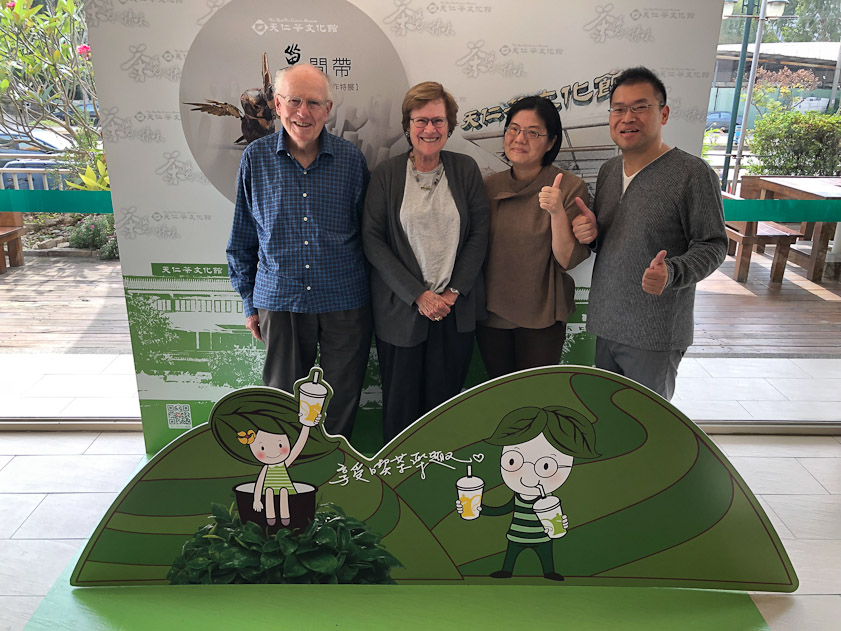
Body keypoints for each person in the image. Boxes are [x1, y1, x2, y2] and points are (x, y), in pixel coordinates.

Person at [226, 64, 372, 438]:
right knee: (282, 404)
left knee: (340, 400)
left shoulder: (352, 161)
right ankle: (286, 467)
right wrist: (249, 303)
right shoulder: (255, 159)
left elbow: (371, 238)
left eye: (313, 103)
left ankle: (333, 465)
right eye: (294, 101)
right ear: (278, 104)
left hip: (344, 300)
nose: (302, 112)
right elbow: (241, 240)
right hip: (280, 300)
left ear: (328, 109)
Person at [571, 66, 727, 400]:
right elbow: (614, 238)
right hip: (606, 323)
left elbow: (713, 245)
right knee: (607, 419)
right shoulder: (609, 170)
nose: (627, 117)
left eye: (640, 107)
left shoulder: (692, 173)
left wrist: (672, 271)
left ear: (664, 113)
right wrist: (591, 233)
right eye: (618, 109)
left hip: (654, 332)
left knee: (646, 424)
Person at [362, 81, 489, 443]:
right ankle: (397, 474)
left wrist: (452, 293)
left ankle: (437, 474)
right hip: (401, 312)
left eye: (438, 121)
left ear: (449, 126)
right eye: (421, 120)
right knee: (401, 411)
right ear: (408, 125)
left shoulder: (465, 170)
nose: (429, 129)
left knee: (444, 410)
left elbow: (480, 234)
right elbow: (373, 240)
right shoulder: (386, 174)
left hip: (454, 311)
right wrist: (418, 295)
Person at [479, 96, 591, 378]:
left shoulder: (569, 187)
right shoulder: (488, 186)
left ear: (551, 142)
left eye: (533, 133)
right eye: (514, 129)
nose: (520, 139)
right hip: (492, 312)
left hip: (542, 315)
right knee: (499, 394)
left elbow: (566, 259)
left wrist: (556, 212)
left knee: (536, 397)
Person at [456, 405, 599, 580]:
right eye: (512, 461)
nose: (527, 477)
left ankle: (549, 572)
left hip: (542, 537)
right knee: (511, 555)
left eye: (546, 466)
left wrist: (562, 522)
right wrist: (479, 509)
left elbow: (557, 518)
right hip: (517, 535)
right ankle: (506, 571)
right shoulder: (518, 498)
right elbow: (502, 510)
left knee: (546, 556)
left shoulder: (550, 501)